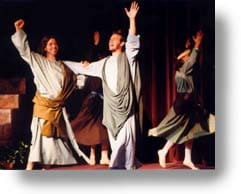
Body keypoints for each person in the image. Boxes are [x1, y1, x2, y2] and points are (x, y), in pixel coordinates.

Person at [64, 1, 141, 169]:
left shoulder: (128, 57)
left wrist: (132, 20)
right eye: (110, 39)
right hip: (111, 110)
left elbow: (133, 40)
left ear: (122, 43)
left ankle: (122, 170)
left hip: (126, 109)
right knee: (116, 144)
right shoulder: (103, 63)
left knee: (126, 147)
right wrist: (60, 63)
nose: (111, 41)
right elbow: (81, 67)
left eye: (115, 39)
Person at [11, 19, 89, 170]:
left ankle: (46, 168)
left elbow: (77, 76)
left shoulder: (63, 65)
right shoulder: (39, 61)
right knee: (39, 138)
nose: (54, 46)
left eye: (55, 44)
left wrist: (85, 65)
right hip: (44, 106)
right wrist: (19, 32)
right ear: (45, 48)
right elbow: (24, 51)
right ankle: (29, 168)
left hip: (57, 108)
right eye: (50, 44)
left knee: (52, 141)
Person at [148, 30, 215, 170]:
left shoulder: (185, 71)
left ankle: (187, 158)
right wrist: (197, 44)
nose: (189, 58)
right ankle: (164, 151)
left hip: (189, 104)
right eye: (186, 57)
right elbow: (193, 59)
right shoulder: (183, 70)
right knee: (180, 129)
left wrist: (190, 45)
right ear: (182, 60)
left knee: (191, 130)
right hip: (183, 105)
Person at [70, 30, 110, 166]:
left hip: (105, 97)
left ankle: (104, 154)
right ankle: (92, 154)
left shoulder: (107, 59)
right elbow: (87, 61)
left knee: (105, 126)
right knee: (92, 126)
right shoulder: (91, 60)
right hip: (93, 97)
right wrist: (95, 44)